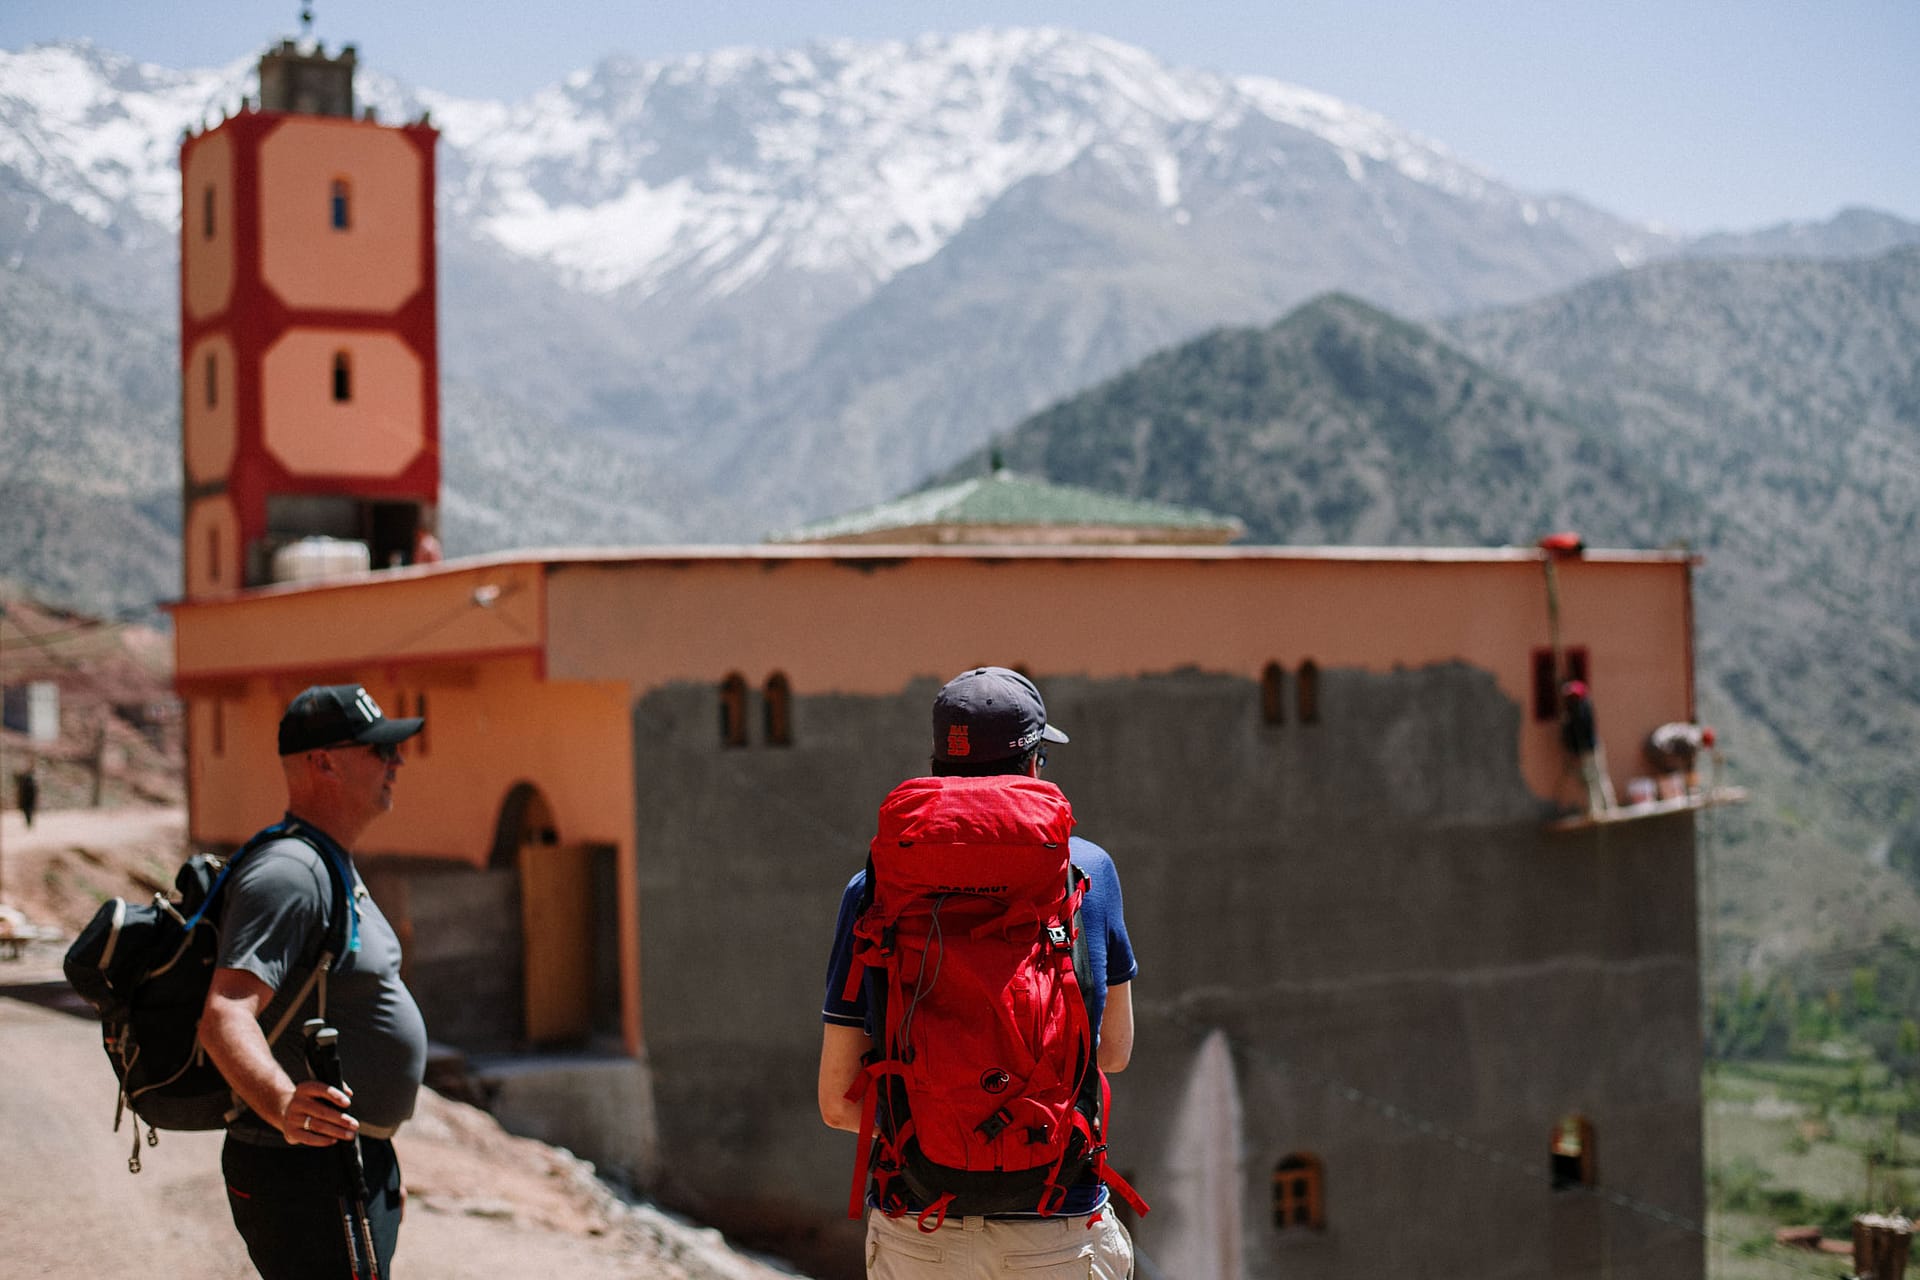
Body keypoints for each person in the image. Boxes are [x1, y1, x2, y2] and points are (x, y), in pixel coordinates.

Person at [819, 667, 1139, 1278]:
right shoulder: (1086, 872)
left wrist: (945, 1121)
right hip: (1056, 1227)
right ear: (1035, 763)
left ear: (938, 763)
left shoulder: (875, 888)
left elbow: (838, 1104)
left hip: (920, 1227)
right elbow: (1114, 1052)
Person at [199, 684, 430, 1279]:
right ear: (323, 762)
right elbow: (225, 1010)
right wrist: (280, 1104)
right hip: (304, 1170)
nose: (396, 762)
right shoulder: (290, 874)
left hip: (341, 1162)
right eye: (378, 751)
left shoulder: (327, 861)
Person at [1560, 679, 1617, 816]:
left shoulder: (1582, 709)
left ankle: (1606, 807)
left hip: (1590, 748)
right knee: (1591, 778)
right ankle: (1598, 808)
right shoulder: (1574, 711)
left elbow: (1581, 731)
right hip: (1584, 750)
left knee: (1596, 777)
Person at [15, 761, 38, 828]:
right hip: (27, 800)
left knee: (28, 812)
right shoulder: (28, 780)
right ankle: (29, 823)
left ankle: (29, 824)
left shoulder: (28, 780)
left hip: (28, 800)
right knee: (28, 812)